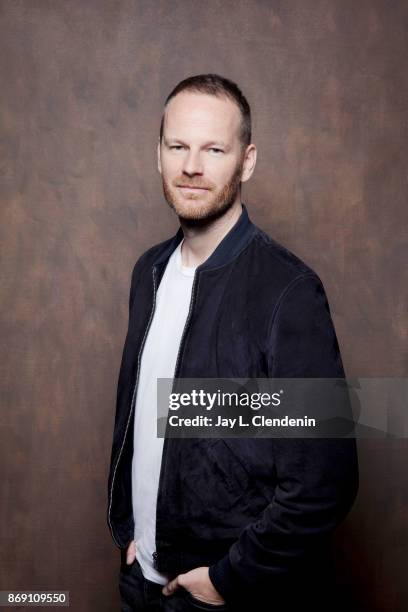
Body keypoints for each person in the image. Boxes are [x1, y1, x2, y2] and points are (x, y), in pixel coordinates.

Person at [107, 74, 359, 611]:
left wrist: (227, 578)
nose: (191, 166)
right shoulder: (147, 272)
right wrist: (128, 530)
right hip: (140, 581)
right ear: (158, 154)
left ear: (246, 162)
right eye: (178, 146)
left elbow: (324, 483)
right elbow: (141, 422)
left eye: (213, 149)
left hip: (219, 597)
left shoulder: (288, 291)